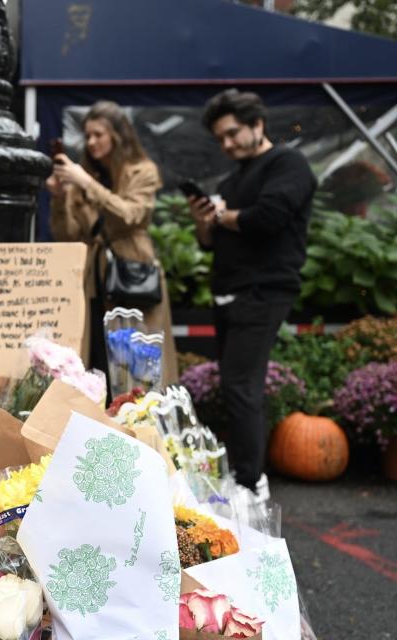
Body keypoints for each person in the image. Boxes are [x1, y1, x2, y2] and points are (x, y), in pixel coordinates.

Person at [188, 89, 316, 497]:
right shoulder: (231, 179)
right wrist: (204, 221)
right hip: (228, 290)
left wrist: (223, 215)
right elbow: (210, 242)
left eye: (232, 133)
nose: (226, 144)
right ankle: (245, 475)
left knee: (241, 385)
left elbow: (268, 218)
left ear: (257, 125)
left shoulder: (287, 164)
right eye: (220, 138)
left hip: (264, 289)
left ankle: (250, 482)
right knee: (235, 383)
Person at [45, 100, 178, 386]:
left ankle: (140, 427)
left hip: (132, 274)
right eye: (87, 135)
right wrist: (58, 198)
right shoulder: (84, 177)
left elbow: (130, 215)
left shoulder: (142, 171)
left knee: (137, 367)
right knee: (97, 359)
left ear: (118, 135)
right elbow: (67, 235)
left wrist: (87, 185)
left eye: (98, 134)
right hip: (94, 280)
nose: (91, 142)